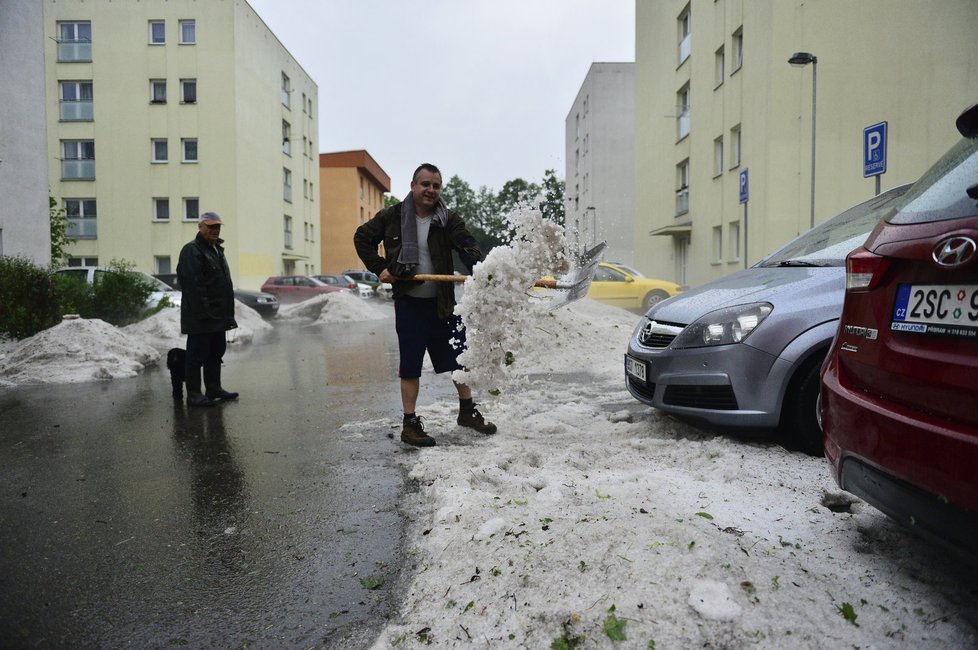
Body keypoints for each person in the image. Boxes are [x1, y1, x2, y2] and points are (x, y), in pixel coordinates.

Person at [354, 163, 497, 447]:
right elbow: (362, 238)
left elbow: (468, 247)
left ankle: (467, 411)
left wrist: (483, 268)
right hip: (409, 303)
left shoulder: (448, 220)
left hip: (443, 304)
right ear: (413, 186)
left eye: (436, 186)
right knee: (410, 366)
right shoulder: (391, 217)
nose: (431, 190)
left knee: (460, 361)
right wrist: (380, 267)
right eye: (426, 184)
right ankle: (410, 424)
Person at [177, 212, 239, 407]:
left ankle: (213, 388)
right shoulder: (192, 250)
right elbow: (193, 285)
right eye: (210, 226)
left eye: (217, 227)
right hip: (201, 317)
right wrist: (203, 312)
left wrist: (225, 314)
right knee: (196, 355)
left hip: (218, 316)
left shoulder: (217, 250)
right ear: (200, 227)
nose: (214, 230)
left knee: (215, 352)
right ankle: (194, 394)